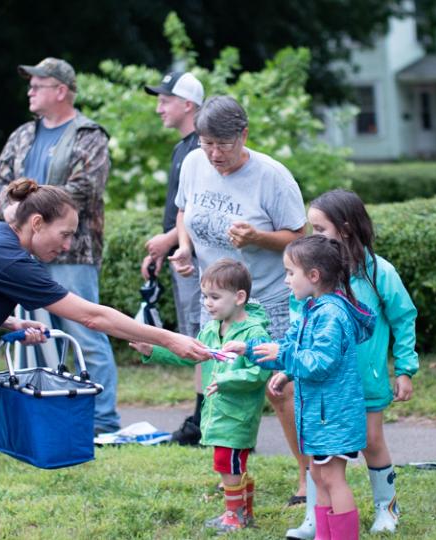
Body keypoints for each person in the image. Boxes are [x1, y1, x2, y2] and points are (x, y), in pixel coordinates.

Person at [0, 178, 210, 540]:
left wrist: (8, 321)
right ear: (36, 223)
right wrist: (169, 338)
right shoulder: (10, 259)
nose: (67, 245)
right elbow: (91, 317)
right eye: (64, 234)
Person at [168, 95, 310, 502]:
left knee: (279, 389)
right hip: (217, 303)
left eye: (223, 144)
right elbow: (184, 212)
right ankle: (234, 473)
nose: (213, 153)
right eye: (206, 142)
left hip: (267, 300)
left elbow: (300, 238)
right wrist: (183, 247)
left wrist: (258, 238)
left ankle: (307, 477)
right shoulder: (194, 163)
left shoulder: (272, 177)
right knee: (223, 386)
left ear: (243, 135)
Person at [0, 57, 121, 434]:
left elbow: (85, 189)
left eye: (38, 84)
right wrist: (13, 207)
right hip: (22, 251)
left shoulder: (89, 135)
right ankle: (43, 413)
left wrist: (23, 205)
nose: (29, 90)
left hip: (73, 253)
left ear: (61, 90)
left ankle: (103, 421)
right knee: (31, 334)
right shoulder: (22, 134)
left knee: (86, 331)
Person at [286, 189, 419, 538]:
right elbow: (296, 327)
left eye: (319, 228)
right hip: (323, 386)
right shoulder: (309, 275)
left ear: (344, 229)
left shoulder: (380, 272)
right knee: (320, 448)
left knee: (372, 441)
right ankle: (317, 518)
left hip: (365, 380)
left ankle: (387, 508)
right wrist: (287, 367)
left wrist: (405, 369)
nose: (312, 236)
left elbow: (404, 318)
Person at [223, 235, 375, 540]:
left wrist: (285, 358)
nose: (286, 279)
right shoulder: (312, 309)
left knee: (332, 478)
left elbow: (320, 361)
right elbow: (291, 347)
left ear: (314, 276)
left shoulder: (331, 314)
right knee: (319, 475)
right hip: (320, 415)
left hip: (333, 415)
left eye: (291, 272)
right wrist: (252, 350)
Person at [131, 258, 271, 532]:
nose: (207, 303)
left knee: (226, 463)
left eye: (215, 297)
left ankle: (234, 516)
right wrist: (153, 351)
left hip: (238, 415)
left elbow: (259, 373)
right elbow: (188, 356)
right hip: (217, 413)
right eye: (205, 296)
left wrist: (227, 381)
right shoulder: (211, 330)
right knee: (232, 463)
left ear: (240, 297)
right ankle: (243, 513)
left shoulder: (254, 333)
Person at [143, 70, 207, 446]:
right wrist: (165, 244)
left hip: (199, 259)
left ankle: (204, 420)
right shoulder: (181, 147)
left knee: (203, 337)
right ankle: (201, 417)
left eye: (165, 100)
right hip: (183, 255)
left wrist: (169, 240)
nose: (158, 108)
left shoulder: (202, 146)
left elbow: (198, 207)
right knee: (195, 336)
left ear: (188, 105)